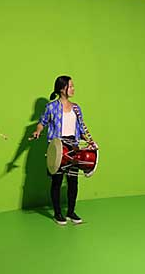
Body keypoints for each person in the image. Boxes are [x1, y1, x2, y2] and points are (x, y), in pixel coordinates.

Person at [31, 76, 98, 225]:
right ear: (62, 89)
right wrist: (38, 131)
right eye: (70, 86)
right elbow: (42, 122)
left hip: (73, 146)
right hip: (58, 146)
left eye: (73, 86)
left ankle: (71, 212)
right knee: (57, 181)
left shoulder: (76, 108)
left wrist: (89, 141)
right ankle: (57, 214)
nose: (73, 89)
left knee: (73, 181)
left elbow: (81, 129)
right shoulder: (51, 107)